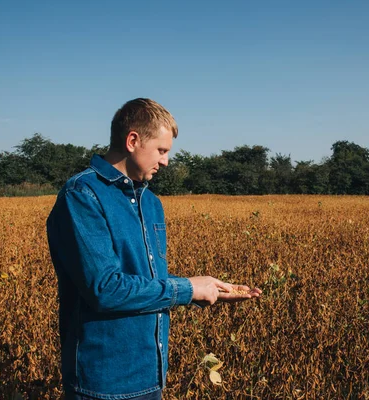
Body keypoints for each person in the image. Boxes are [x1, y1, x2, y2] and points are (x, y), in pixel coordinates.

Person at [46, 98, 261, 400]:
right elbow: (105, 289)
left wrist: (208, 288)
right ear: (133, 140)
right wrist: (188, 289)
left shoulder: (151, 203)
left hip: (151, 373)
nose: (165, 161)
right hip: (103, 383)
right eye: (161, 150)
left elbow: (145, 278)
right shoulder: (82, 196)